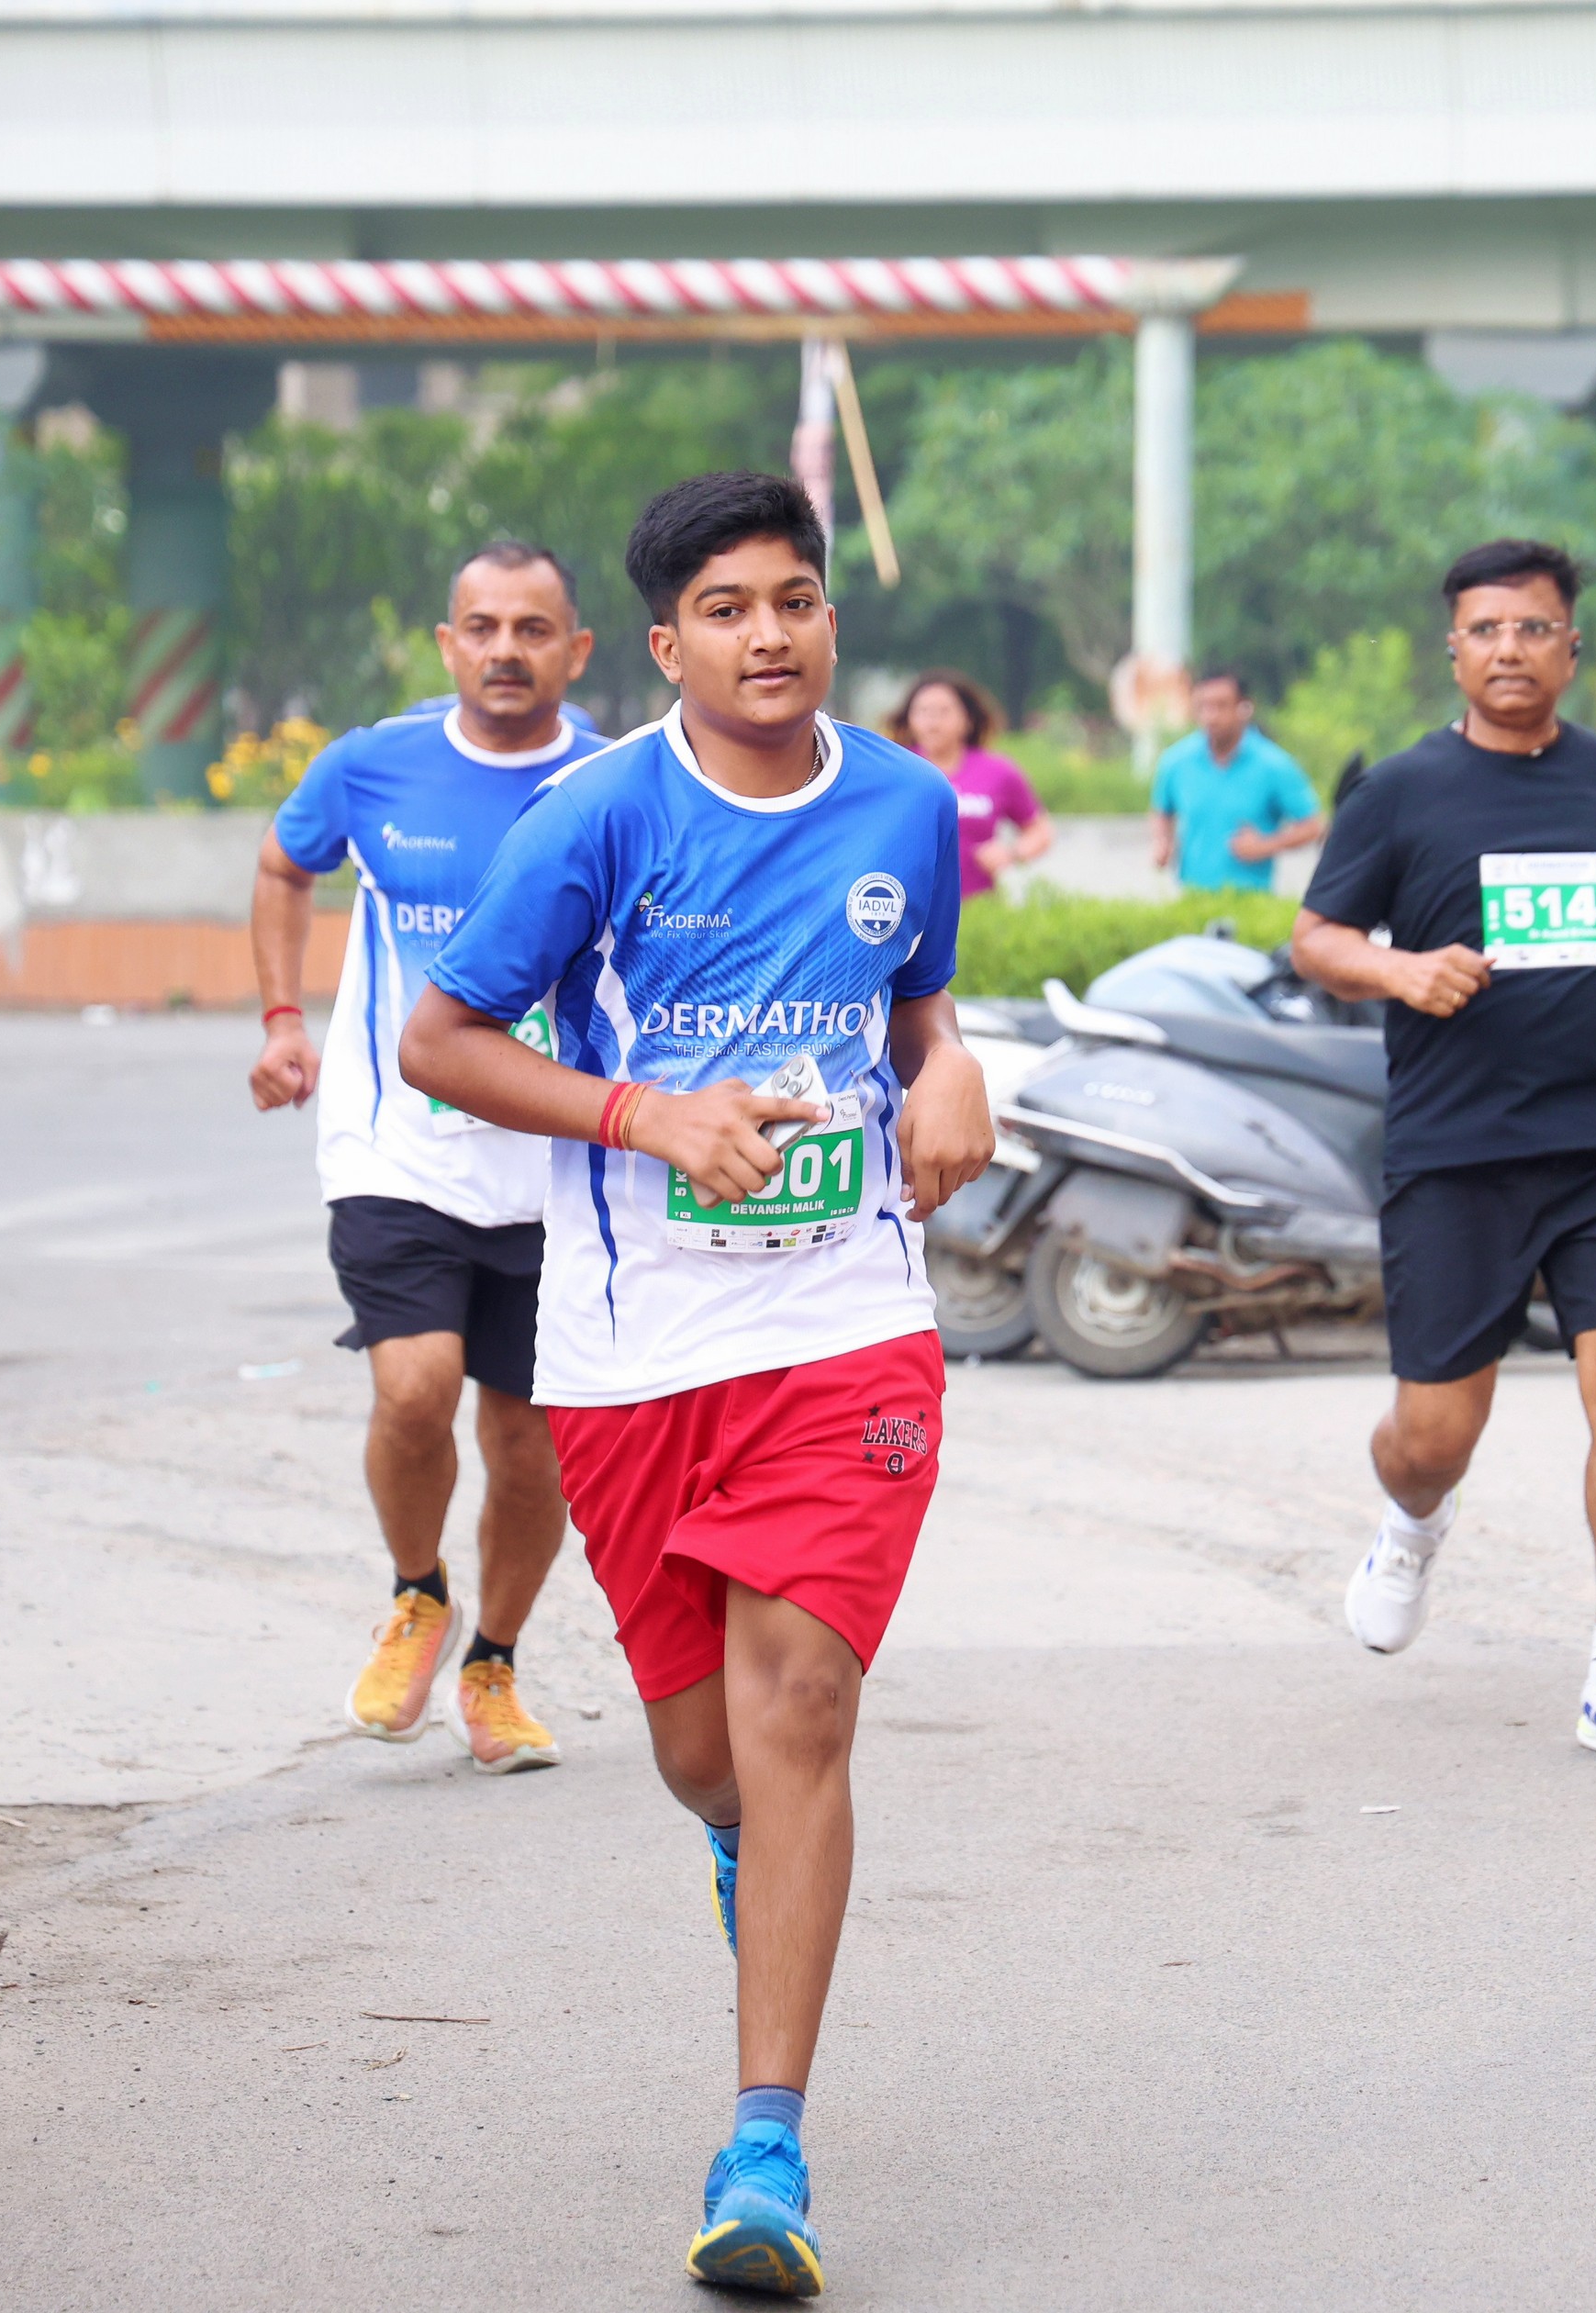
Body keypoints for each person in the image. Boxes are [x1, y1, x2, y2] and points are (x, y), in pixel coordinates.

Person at [397, 471, 995, 2299]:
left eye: (793, 600)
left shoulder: (905, 805)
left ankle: (765, 2147)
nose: (768, 635)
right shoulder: (595, 818)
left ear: (830, 618)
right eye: (726, 609)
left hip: (844, 1326)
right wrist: (645, 1114)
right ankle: (749, 1851)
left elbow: (915, 1006)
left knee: (800, 1700)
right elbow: (442, 1039)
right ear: (666, 646)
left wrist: (955, 1068)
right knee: (703, 1758)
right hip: (631, 1348)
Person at [1288, 539, 1596, 1767]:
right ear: (1455, 649)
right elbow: (1317, 937)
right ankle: (1411, 1522)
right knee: (1435, 1435)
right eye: (1487, 630)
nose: (1510, 650)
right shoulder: (1402, 792)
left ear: (1571, 647)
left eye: (1533, 629)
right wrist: (1402, 970)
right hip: (1458, 1150)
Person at [249, 540, 586, 1774]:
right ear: (448, 644)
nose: (505, 650)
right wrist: (283, 1021)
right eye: (482, 627)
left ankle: (493, 1664)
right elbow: (284, 864)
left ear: (575, 649)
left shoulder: (614, 783)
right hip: (394, 1145)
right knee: (413, 1388)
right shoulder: (370, 766)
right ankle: (416, 1593)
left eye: (532, 629)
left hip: (554, 1165)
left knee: (530, 1441)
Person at [1149, 667, 1322, 891]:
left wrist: (1265, 845)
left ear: (1244, 708)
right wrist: (1163, 842)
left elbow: (1313, 826)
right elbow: (1162, 810)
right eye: (1203, 706)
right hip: (1192, 896)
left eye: (1221, 706)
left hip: (1251, 899)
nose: (1211, 716)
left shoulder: (1274, 765)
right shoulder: (1176, 762)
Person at [891, 668, 1051, 899]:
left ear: (967, 719)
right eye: (923, 711)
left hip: (976, 904)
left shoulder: (998, 772)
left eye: (944, 711)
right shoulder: (894, 770)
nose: (932, 722)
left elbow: (1040, 831)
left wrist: (1011, 853)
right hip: (909, 904)